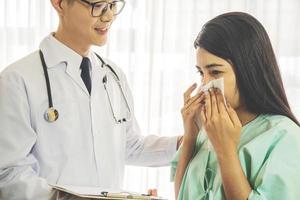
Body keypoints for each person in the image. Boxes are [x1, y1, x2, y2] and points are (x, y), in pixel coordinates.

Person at [0, 0, 181, 199]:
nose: (108, 16)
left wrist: (187, 142)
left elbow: (129, 146)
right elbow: (8, 173)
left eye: (112, 5)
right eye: (98, 5)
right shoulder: (17, 80)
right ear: (59, 4)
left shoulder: (114, 76)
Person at [171, 12, 300, 200]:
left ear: (249, 70)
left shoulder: (285, 137)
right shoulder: (208, 129)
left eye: (215, 72)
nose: (205, 85)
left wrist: (225, 150)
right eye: (201, 72)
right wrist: (190, 135)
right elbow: (181, 195)